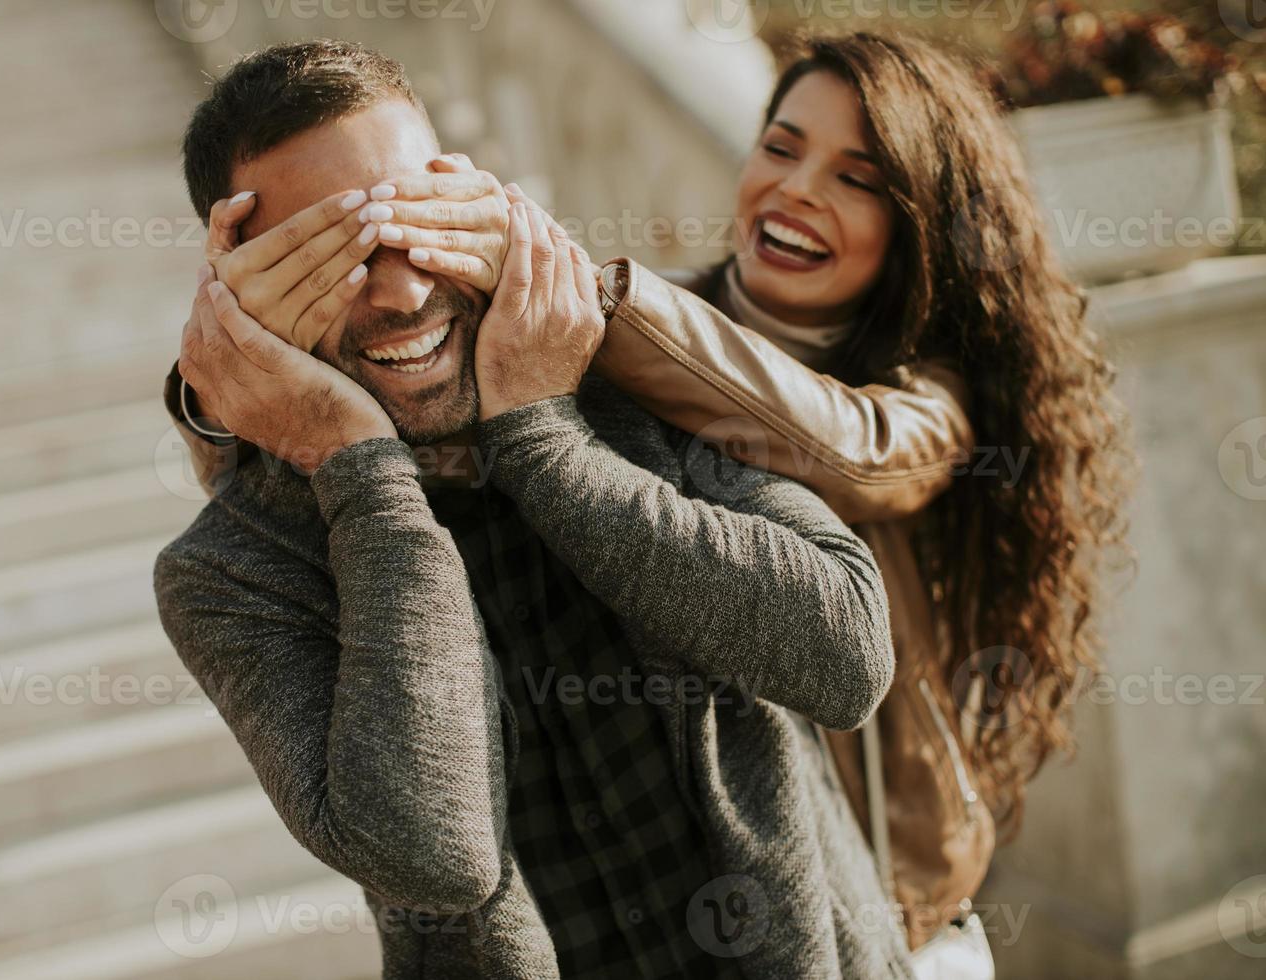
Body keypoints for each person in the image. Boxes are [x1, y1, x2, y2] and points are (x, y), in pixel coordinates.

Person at [155, 40, 913, 979]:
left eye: (417, 220)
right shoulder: (229, 572)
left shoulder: (635, 383)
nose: (404, 289)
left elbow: (846, 658)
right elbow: (433, 853)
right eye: (330, 255)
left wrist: (546, 436)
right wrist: (356, 468)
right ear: (240, 289)